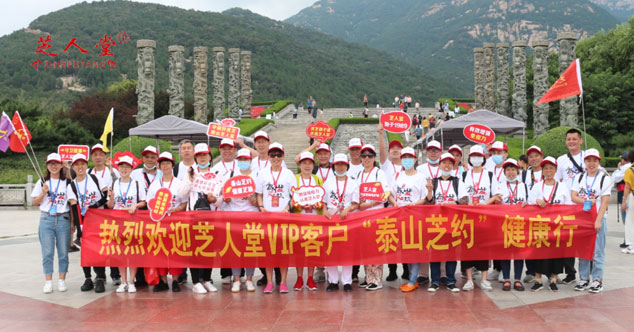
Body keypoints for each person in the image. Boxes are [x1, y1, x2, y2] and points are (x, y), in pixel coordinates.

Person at [32, 153, 76, 294]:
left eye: (56, 163)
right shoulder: (42, 182)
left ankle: (62, 279)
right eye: (51, 163)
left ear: (61, 165)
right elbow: (35, 202)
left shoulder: (67, 182)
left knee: (63, 252)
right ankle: (48, 281)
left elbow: (71, 204)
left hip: (63, 219)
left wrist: (72, 223)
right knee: (47, 252)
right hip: (46, 219)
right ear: (47, 165)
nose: (54, 166)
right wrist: (44, 193)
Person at [255, 143, 296, 294]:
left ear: (283, 156)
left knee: (283, 251)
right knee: (268, 251)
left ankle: (283, 282)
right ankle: (269, 282)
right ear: (269, 157)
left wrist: (287, 208)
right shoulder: (263, 173)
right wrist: (261, 207)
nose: (276, 158)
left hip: (283, 217)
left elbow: (294, 195)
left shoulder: (288, 174)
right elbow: (259, 194)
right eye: (273, 155)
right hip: (267, 217)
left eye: (279, 155)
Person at [571, 148, 612, 293]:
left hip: (598, 219)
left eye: (594, 160)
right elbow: (573, 196)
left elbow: (605, 202)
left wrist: (598, 221)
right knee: (583, 250)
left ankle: (597, 280)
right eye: (589, 160)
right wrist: (585, 200)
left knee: (597, 251)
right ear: (585, 162)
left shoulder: (604, 178)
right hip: (583, 220)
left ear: (599, 162)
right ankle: (583, 278)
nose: (591, 163)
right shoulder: (579, 177)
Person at [146, 152, 189, 292]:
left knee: (175, 252)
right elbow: (149, 204)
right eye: (162, 163)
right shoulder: (154, 185)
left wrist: (175, 210)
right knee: (161, 252)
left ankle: (176, 280)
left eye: (168, 163)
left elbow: (184, 204)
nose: (165, 166)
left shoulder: (179, 183)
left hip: (175, 223)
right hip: (159, 224)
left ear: (172, 165)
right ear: (159, 166)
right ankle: (163, 281)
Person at [528, 156, 570, 292]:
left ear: (556, 170)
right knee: (539, 253)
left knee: (556, 253)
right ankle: (538, 280)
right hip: (541, 225)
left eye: (551, 168)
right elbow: (529, 204)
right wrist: (537, 202)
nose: (549, 171)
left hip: (557, 226)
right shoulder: (537, 186)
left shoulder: (563, 186)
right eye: (546, 168)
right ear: (542, 170)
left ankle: (553, 280)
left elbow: (569, 206)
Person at [106, 155, 147, 293]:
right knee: (120, 252)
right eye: (121, 167)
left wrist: (135, 205)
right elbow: (110, 205)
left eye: (127, 167)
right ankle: (123, 281)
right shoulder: (114, 184)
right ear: (118, 168)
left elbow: (144, 201)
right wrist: (111, 197)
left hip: (132, 221)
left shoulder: (137, 183)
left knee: (132, 252)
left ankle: (131, 281)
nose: (124, 169)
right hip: (117, 222)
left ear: (131, 168)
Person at [70, 153, 109, 293]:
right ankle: (87, 278)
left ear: (86, 165)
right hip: (83, 221)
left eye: (83, 164)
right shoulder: (72, 185)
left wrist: (95, 205)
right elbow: (74, 207)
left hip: (99, 219)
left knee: (98, 250)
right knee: (85, 251)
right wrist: (78, 230)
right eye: (77, 164)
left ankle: (100, 278)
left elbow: (106, 195)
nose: (80, 167)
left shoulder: (95, 178)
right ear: (73, 167)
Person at [356, 144, 393, 290]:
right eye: (364, 155)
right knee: (365, 247)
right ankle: (368, 277)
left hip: (376, 214)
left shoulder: (379, 173)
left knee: (376, 247)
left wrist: (370, 203)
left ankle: (376, 280)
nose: (366, 158)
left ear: (374, 158)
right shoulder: (359, 174)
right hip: (362, 215)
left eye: (369, 155)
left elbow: (385, 193)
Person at [457, 145, 494, 291]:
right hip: (467, 216)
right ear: (470, 159)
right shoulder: (464, 175)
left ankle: (484, 279)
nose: (476, 159)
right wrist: (468, 203)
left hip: (484, 216)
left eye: (479, 156)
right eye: (473, 156)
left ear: (483, 158)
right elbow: (461, 195)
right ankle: (469, 279)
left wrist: (484, 204)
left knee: (483, 247)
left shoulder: (489, 174)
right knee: (467, 247)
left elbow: (496, 195)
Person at [397, 148, 432, 292]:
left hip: (415, 217)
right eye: (404, 157)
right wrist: (394, 202)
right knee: (405, 249)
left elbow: (425, 198)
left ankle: (413, 280)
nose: (407, 160)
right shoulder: (398, 175)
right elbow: (392, 193)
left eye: (410, 157)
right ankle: (411, 278)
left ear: (415, 159)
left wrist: (413, 204)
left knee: (414, 248)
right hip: (400, 217)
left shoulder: (421, 176)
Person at [186, 143, 220, 294]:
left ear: (210, 157)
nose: (202, 158)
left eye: (205, 155)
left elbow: (221, 198)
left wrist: (214, 199)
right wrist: (189, 180)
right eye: (199, 156)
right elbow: (181, 194)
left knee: (209, 248)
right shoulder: (190, 173)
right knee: (194, 249)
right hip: (193, 216)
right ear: (195, 158)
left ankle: (206, 279)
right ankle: (195, 281)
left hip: (210, 216)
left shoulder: (217, 174)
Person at [323, 154, 360, 292]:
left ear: (347, 166)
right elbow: (324, 202)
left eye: (343, 165)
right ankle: (332, 281)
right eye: (337, 165)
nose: (340, 167)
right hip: (331, 221)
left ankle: (347, 281)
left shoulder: (352, 183)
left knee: (347, 251)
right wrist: (325, 211)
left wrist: (348, 209)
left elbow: (356, 204)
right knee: (330, 250)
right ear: (333, 166)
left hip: (347, 220)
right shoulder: (328, 182)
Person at [377, 125, 409, 282]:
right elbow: (381, 153)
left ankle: (406, 269)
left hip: (406, 208)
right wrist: (381, 134)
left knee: (406, 239)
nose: (395, 150)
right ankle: (392, 270)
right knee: (390, 239)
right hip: (390, 207)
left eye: (398, 148)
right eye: (393, 148)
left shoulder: (408, 166)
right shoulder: (386, 165)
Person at [491, 158, 528, 291]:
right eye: (508, 170)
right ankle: (506, 278)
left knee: (519, 253)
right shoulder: (500, 185)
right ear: (504, 172)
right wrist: (497, 201)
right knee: (505, 252)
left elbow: (529, 203)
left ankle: (517, 279)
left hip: (520, 224)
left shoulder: (523, 186)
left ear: (517, 171)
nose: (511, 172)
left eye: (513, 169)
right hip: (504, 224)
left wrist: (526, 204)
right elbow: (495, 203)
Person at [555, 128, 586, 284]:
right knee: (567, 240)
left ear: (580, 140)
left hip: (584, 206)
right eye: (569, 139)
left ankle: (586, 276)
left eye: (575, 139)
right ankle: (570, 273)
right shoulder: (561, 160)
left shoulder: (588, 158)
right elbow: (556, 181)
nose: (572, 142)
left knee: (584, 241)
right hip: (567, 206)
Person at [426, 153, 461, 292]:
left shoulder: (457, 181)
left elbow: (464, 200)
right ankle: (434, 281)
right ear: (439, 165)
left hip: (453, 222)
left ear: (453, 166)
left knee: (451, 253)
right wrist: (429, 192)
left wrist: (453, 203)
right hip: (436, 221)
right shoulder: (433, 182)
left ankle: (451, 281)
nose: (447, 165)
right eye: (444, 163)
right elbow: (428, 202)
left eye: (450, 163)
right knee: (435, 252)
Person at [226, 148, 259, 293]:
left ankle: (250, 279)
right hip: (234, 217)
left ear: (251, 161)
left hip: (251, 216)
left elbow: (262, 199)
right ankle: (237, 279)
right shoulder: (231, 175)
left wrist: (255, 201)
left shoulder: (257, 176)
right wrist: (225, 199)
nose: (243, 162)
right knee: (236, 249)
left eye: (246, 160)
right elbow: (223, 198)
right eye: (241, 160)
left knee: (250, 248)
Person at [291, 152, 325, 291]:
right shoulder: (295, 179)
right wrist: (298, 204)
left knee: (312, 249)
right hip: (299, 219)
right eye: (304, 163)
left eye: (310, 163)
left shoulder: (317, 180)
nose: (307, 166)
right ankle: (299, 278)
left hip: (314, 220)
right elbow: (291, 198)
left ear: (313, 165)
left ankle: (310, 278)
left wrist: (317, 205)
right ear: (299, 165)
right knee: (299, 251)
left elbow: (322, 199)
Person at [521, 145, 545, 283]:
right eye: (531, 156)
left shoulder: (548, 171)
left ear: (541, 157)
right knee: (529, 242)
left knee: (545, 241)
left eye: (536, 156)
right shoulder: (524, 174)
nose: (534, 159)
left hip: (545, 212)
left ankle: (547, 271)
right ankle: (530, 271)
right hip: (529, 212)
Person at [613, 151, 632, 249]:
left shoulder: (625, 168)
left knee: (626, 219)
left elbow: (615, 178)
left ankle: (629, 241)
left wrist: (618, 169)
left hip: (626, 195)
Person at [621, 150, 634, 254]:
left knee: (630, 221)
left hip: (632, 197)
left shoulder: (630, 171)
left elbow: (627, 186)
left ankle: (632, 245)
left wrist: (624, 200)